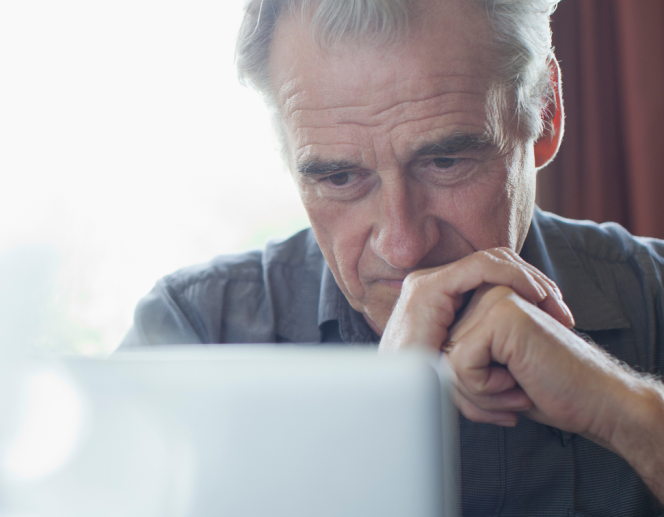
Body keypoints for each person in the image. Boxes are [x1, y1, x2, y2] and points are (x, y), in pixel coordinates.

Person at [122, 0, 664, 513]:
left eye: (446, 162)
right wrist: (383, 417)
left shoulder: (653, 295)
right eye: (339, 178)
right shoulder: (193, 334)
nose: (403, 247)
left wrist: (624, 413)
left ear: (542, 116)